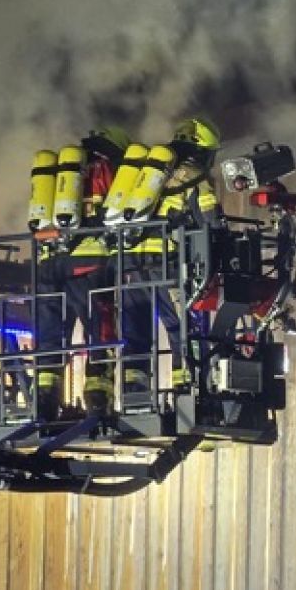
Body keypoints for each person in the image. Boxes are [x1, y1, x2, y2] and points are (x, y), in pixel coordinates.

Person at [108, 116, 223, 403]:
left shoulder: (150, 172)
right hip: (166, 264)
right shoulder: (195, 176)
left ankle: (135, 397)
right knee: (182, 329)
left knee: (135, 333)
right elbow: (211, 221)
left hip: (129, 264)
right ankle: (188, 392)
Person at [26, 125, 131, 419]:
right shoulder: (111, 170)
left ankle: (45, 397)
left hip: (49, 262)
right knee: (100, 330)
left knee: (49, 333)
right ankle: (97, 397)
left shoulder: (63, 174)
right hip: (90, 263)